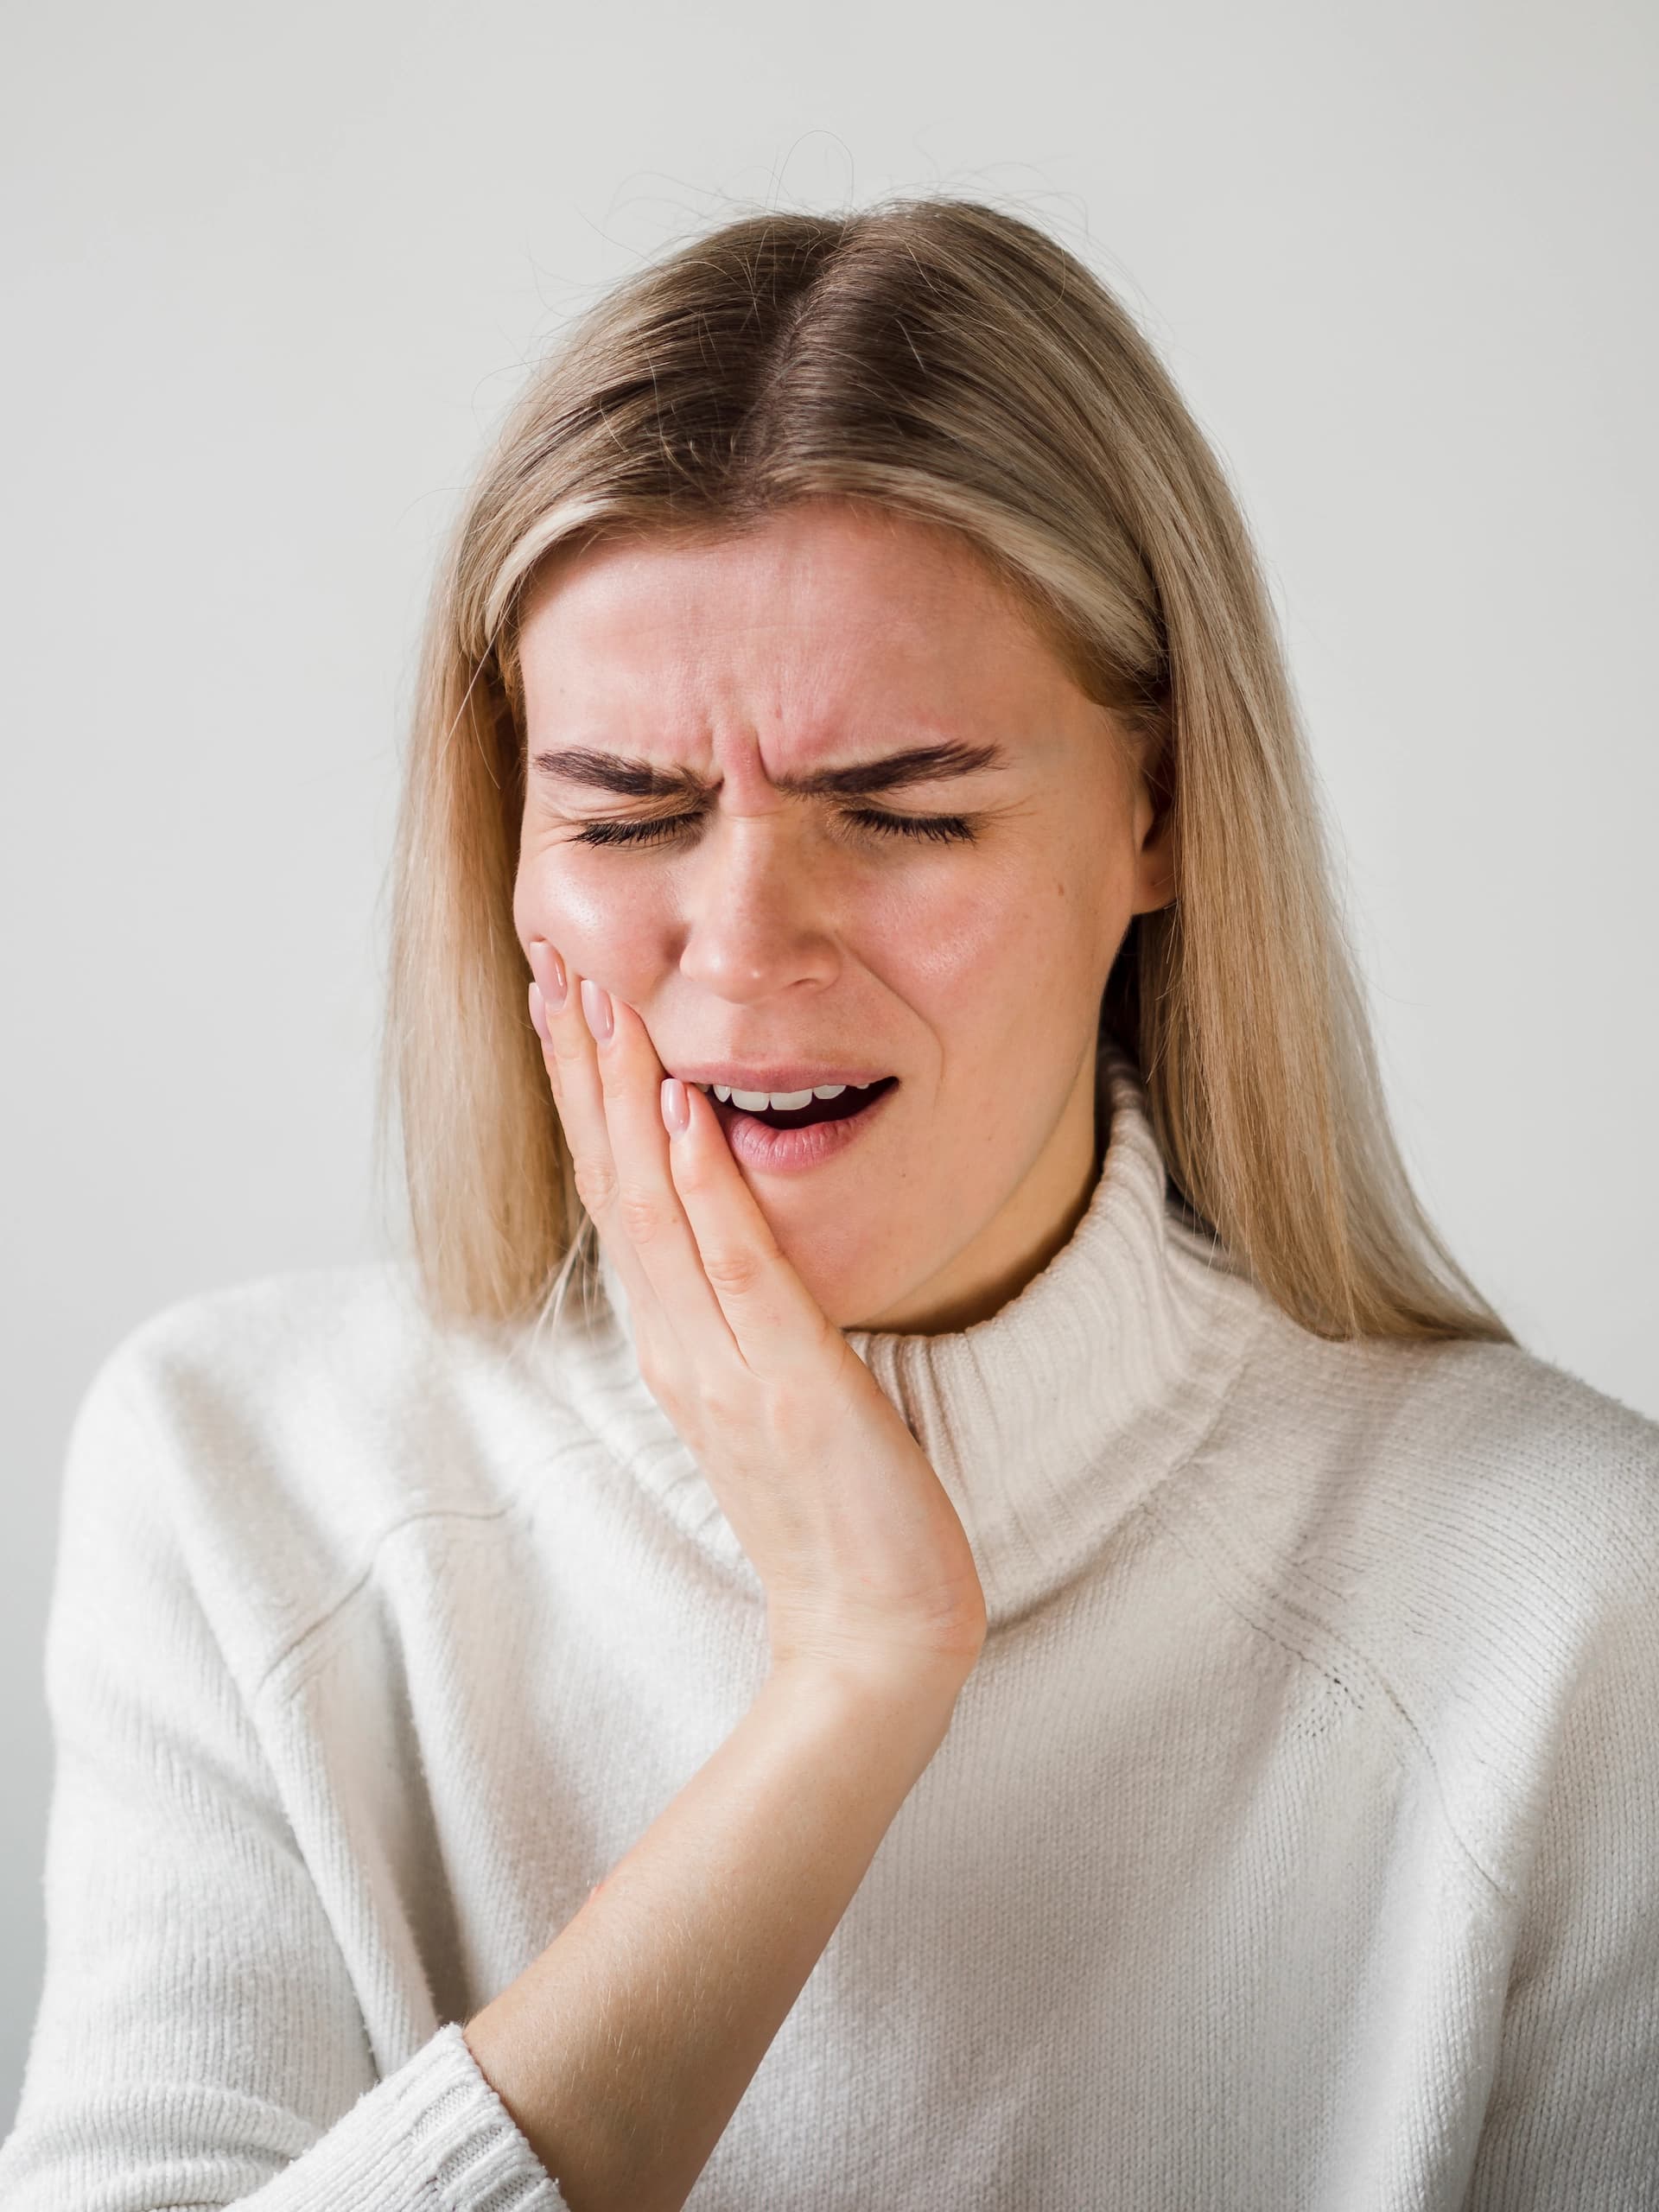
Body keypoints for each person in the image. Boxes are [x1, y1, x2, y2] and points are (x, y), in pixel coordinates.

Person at [3, 198, 1656, 2212]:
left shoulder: (1574, 1603)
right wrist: (852, 1676)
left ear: (1161, 810)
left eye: (901, 810)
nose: (745, 943)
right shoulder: (239, 1479)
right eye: (626, 812)